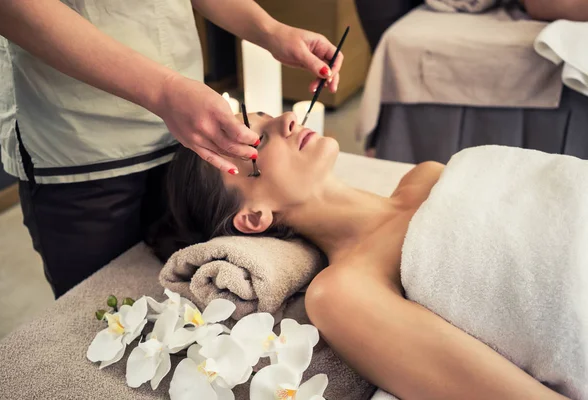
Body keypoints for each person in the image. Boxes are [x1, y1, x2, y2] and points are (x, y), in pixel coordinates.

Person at [151, 111, 573, 400]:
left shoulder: (426, 174)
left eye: (266, 113)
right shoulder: (342, 293)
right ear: (254, 218)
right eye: (258, 138)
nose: (288, 119)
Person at [0, 0, 343, 298]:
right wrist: (162, 91)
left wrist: (269, 30)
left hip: (187, 124)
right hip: (80, 140)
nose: (287, 118)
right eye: (259, 134)